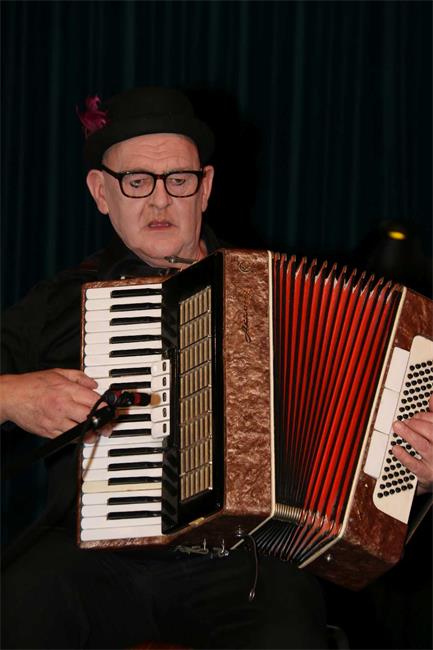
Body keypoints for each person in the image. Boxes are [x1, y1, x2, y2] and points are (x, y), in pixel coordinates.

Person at [1, 86, 432, 650]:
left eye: (178, 180)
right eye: (136, 181)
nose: (160, 200)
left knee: (289, 636)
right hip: (90, 565)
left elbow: (371, 450)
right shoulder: (59, 301)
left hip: (245, 561)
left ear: (204, 187)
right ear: (101, 192)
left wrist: (417, 471)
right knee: (15, 608)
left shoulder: (272, 293)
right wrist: (12, 396)